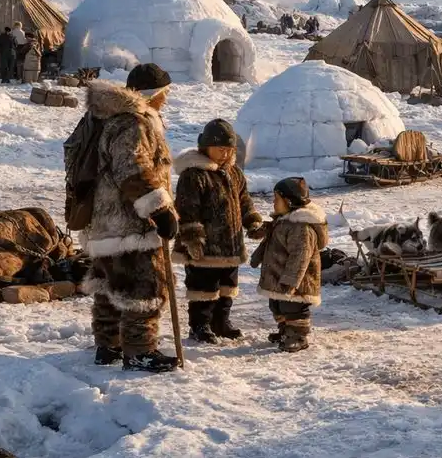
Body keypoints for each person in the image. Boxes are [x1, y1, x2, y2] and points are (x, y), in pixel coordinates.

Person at [80, 63, 181, 372]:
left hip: (107, 222)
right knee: (144, 288)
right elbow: (133, 170)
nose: (166, 99)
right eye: (165, 93)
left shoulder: (111, 119)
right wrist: (159, 209)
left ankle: (108, 346)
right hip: (130, 223)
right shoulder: (132, 124)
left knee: (111, 287)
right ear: (154, 94)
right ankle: (139, 350)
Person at [172, 119, 265, 343]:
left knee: (227, 287)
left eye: (228, 150)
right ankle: (199, 325)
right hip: (203, 247)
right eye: (220, 149)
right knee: (203, 288)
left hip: (230, 245)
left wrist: (253, 222)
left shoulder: (234, 174)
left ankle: (220, 321)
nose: (224, 154)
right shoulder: (194, 175)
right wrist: (193, 240)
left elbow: (244, 201)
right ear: (206, 147)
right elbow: (187, 210)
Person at [251, 177, 328, 353]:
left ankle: (297, 336)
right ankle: (286, 331)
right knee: (277, 305)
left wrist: (290, 280)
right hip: (278, 276)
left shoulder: (300, 227)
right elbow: (269, 242)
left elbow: (300, 257)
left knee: (293, 308)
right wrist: (257, 257)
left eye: (276, 199)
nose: (273, 202)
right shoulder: (283, 221)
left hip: (297, 282)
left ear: (289, 201)